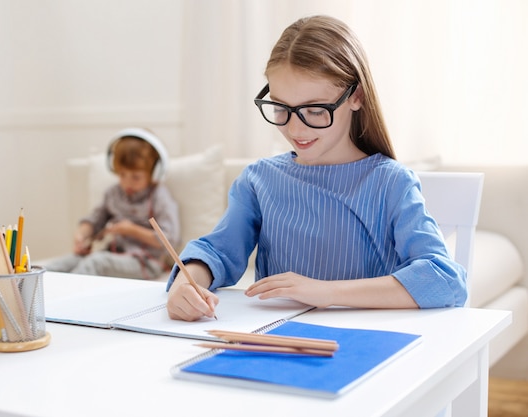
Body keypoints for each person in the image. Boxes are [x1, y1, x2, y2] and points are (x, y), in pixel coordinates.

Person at [166, 15, 467, 321]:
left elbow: (444, 280)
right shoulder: (259, 180)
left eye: (314, 109)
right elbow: (217, 252)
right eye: (281, 108)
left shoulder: (390, 183)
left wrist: (325, 292)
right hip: (274, 340)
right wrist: (186, 283)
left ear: (357, 97)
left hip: (362, 345)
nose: (295, 128)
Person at [45, 128, 180, 280]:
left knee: (97, 262)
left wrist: (131, 230)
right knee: (61, 264)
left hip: (145, 262)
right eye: (122, 175)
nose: (127, 182)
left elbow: (169, 240)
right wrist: (82, 235)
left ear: (154, 173)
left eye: (136, 177)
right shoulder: (113, 193)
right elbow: (94, 220)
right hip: (113, 254)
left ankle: (64, 299)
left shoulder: (159, 196)